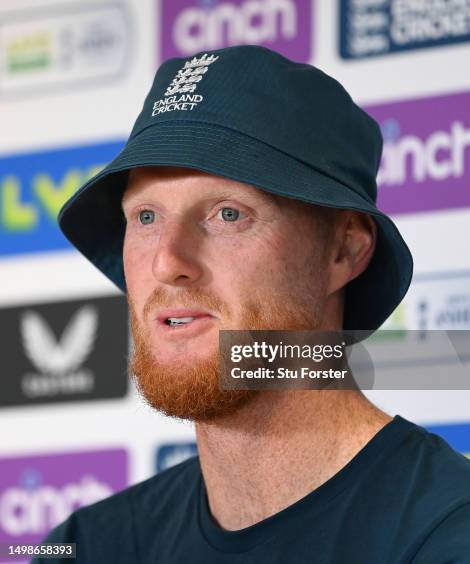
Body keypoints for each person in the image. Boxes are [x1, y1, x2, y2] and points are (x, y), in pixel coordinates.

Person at [33, 45, 470, 563]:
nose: (167, 262)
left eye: (227, 214)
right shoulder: (86, 547)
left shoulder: (446, 534)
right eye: (146, 217)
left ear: (344, 249)